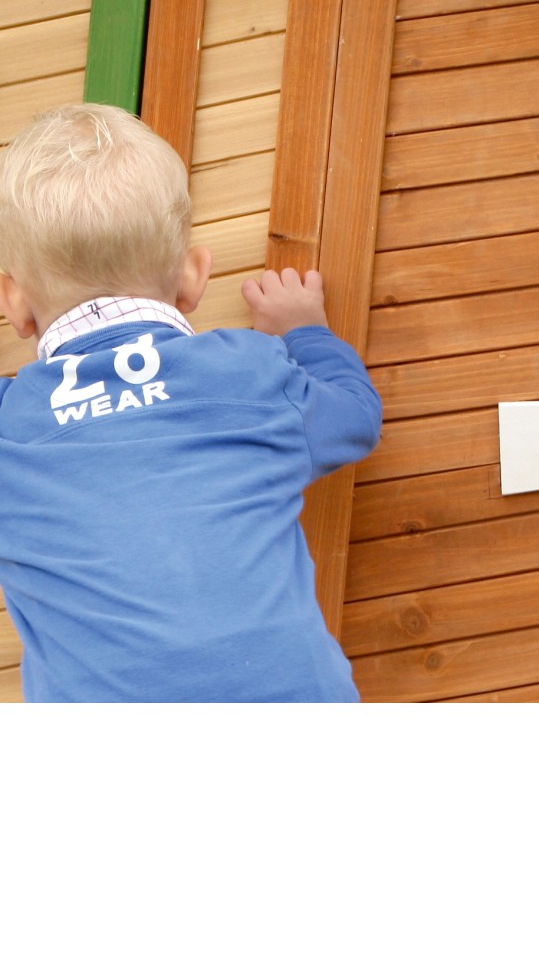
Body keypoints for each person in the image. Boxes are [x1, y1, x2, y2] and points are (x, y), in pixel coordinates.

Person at [0, 103, 382, 702]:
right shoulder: (253, 372)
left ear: (14, 302)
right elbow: (354, 419)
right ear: (193, 276)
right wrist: (304, 332)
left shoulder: (8, 429)